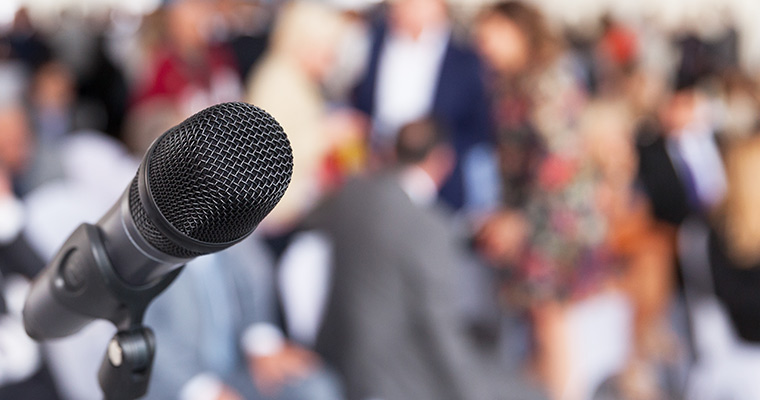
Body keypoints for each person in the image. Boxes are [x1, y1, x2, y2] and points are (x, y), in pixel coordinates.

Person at [308, 119, 545, 400]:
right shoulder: (431, 228)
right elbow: (438, 332)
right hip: (397, 379)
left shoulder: (350, 195)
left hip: (336, 360)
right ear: (443, 160)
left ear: (393, 152)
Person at [353, 0, 496, 212]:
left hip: (437, 194)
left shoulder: (467, 58)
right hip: (375, 176)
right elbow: (359, 102)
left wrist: (433, 161)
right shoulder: (373, 37)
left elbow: (478, 130)